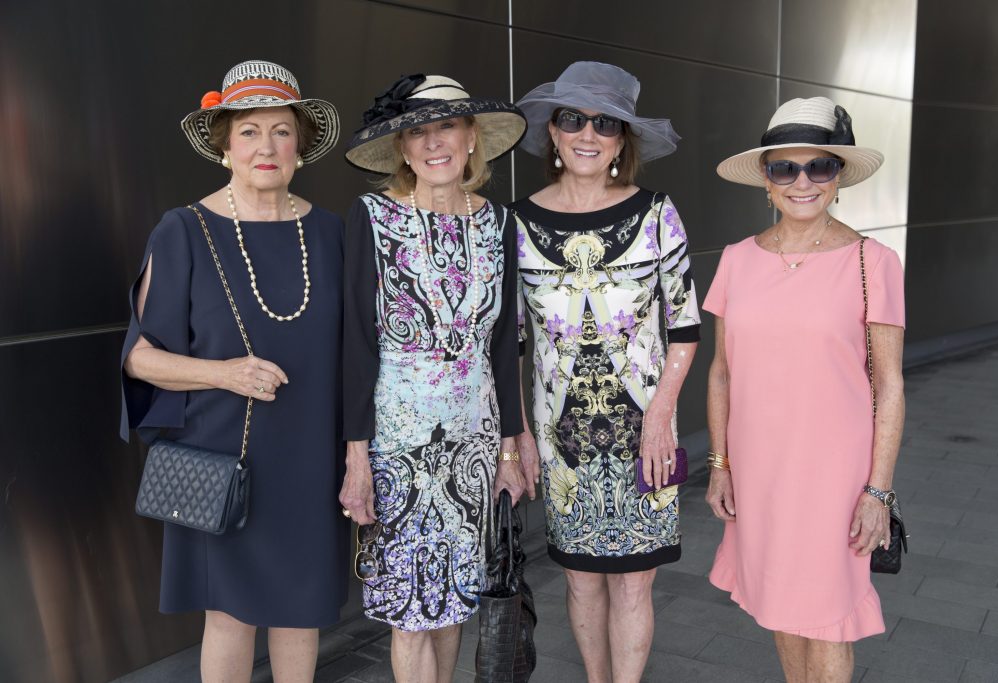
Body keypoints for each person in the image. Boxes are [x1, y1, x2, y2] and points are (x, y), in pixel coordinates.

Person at [119, 60, 347, 682]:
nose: (266, 147)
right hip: (226, 458)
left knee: (302, 612)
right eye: (248, 132)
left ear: (301, 144)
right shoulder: (183, 231)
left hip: (311, 457)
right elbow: (140, 358)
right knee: (230, 615)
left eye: (280, 130)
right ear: (224, 147)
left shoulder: (331, 233)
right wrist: (226, 374)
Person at [704, 97, 905, 683]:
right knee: (779, 605)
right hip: (760, 468)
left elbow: (889, 383)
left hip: (834, 474)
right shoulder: (738, 260)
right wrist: (720, 463)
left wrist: (879, 490)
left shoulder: (874, 261)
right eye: (784, 168)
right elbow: (721, 371)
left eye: (819, 166)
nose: (802, 182)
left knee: (828, 616)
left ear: (838, 177)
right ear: (766, 181)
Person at [512, 62, 701, 682]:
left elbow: (685, 326)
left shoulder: (655, 213)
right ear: (553, 132)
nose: (587, 133)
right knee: (579, 576)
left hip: (647, 430)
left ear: (624, 139)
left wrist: (662, 415)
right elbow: (508, 343)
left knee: (634, 584)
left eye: (606, 122)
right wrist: (519, 437)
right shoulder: (517, 224)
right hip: (561, 434)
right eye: (573, 119)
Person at [340, 74, 528, 683]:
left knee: (452, 607)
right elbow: (357, 347)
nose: (433, 143)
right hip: (399, 449)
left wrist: (507, 452)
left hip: (473, 451)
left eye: (446, 125)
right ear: (401, 148)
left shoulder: (501, 224)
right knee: (410, 614)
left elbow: (504, 347)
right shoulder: (371, 218)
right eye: (416, 132)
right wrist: (357, 457)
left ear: (472, 137)